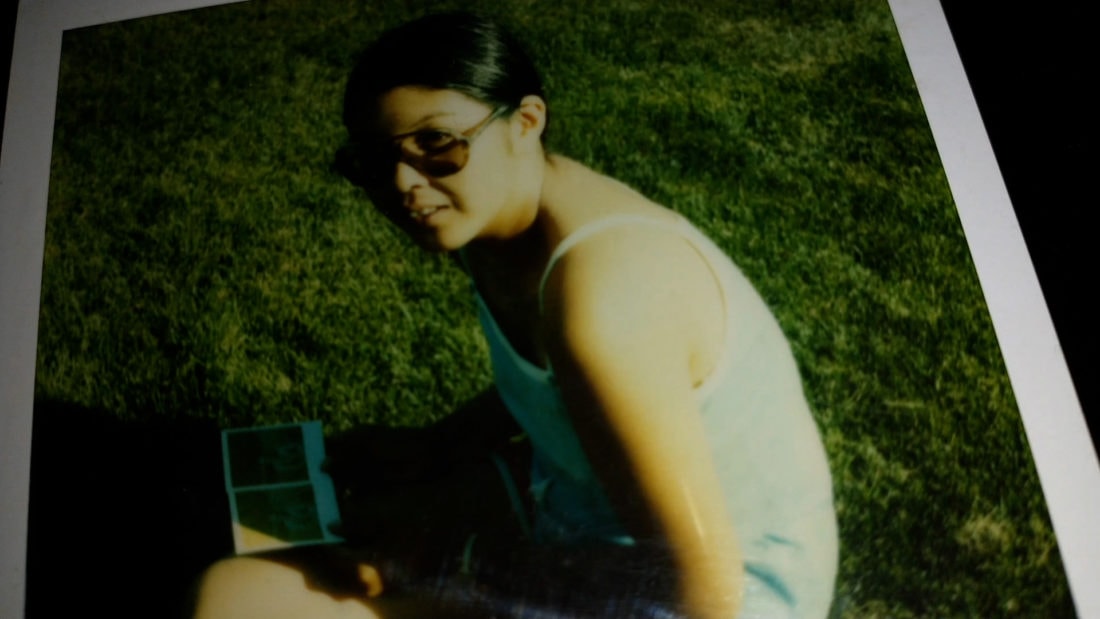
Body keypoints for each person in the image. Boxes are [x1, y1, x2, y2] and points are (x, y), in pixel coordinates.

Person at [190, 12, 837, 619]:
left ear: (527, 120)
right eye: (375, 160)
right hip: (580, 506)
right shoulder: (490, 220)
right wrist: (435, 447)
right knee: (338, 533)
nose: (405, 185)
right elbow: (570, 387)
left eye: (437, 144)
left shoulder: (606, 298)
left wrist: (458, 567)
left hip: (722, 593)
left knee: (239, 597)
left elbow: (706, 588)